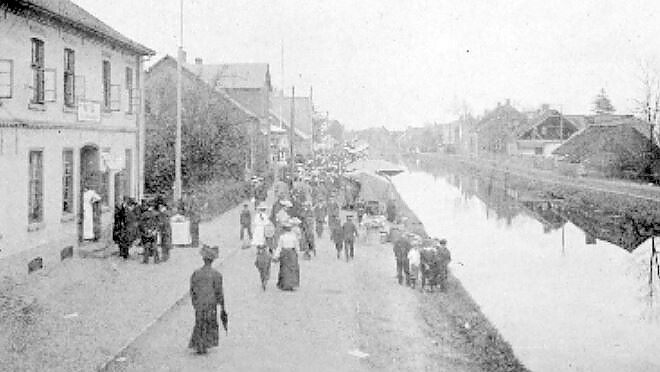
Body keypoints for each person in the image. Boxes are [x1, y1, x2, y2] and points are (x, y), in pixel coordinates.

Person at [189, 245, 225, 354]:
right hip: (211, 303)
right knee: (210, 322)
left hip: (199, 303)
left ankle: (199, 343)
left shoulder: (196, 273)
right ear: (213, 260)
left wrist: (194, 301)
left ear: (203, 259)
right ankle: (205, 343)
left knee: (199, 322)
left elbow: (192, 289)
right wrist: (221, 303)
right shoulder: (217, 274)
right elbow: (219, 291)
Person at [274, 219, 300, 291]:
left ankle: (284, 284)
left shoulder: (282, 237)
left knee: (284, 269)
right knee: (292, 269)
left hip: (284, 253)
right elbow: (296, 246)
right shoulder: (293, 237)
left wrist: (276, 255)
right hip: (292, 253)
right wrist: (297, 253)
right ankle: (292, 284)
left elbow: (279, 247)